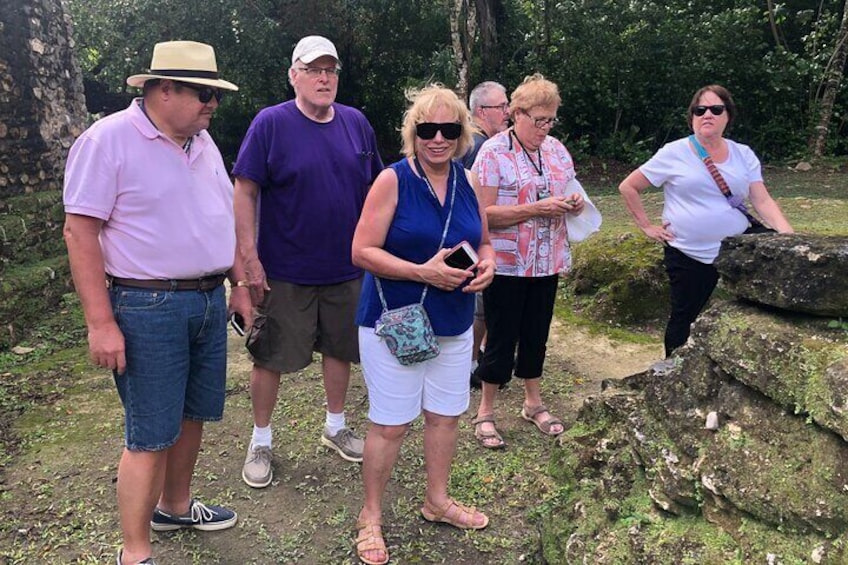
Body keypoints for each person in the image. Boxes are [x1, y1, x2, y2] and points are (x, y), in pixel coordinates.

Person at [62, 41, 247, 565]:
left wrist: (242, 286)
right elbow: (80, 233)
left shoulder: (202, 141)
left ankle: (176, 506)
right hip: (147, 305)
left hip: (208, 298)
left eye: (215, 94)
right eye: (204, 93)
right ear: (163, 90)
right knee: (149, 432)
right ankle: (135, 552)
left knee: (193, 416)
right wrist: (100, 323)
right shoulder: (107, 141)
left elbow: (220, 216)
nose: (213, 104)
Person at [351, 85, 496, 565]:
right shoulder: (392, 180)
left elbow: (485, 240)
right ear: (412, 133)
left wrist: (489, 263)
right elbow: (361, 251)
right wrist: (422, 271)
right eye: (426, 129)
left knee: (445, 416)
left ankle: (437, 501)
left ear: (462, 135)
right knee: (391, 424)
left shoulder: (469, 181)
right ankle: (370, 515)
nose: (437, 138)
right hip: (395, 321)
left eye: (448, 130)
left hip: (453, 321)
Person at [233, 35, 383, 488]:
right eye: (314, 70)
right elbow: (245, 190)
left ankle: (335, 427)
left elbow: (379, 189)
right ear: (293, 75)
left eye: (331, 70)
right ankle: (261, 440)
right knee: (270, 356)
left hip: (346, 267)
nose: (324, 78)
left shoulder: (356, 123)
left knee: (340, 349)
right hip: (285, 270)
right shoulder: (270, 124)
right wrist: (249, 260)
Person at [619, 84, 793, 358]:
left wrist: (788, 236)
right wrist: (646, 226)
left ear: (728, 116)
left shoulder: (743, 154)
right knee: (683, 317)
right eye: (700, 110)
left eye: (716, 109)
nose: (707, 114)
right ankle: (673, 375)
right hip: (689, 252)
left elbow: (761, 200)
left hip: (734, 248)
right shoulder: (673, 152)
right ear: (692, 117)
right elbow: (629, 186)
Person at [471, 74, 594, 449]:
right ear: (516, 115)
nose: (546, 128)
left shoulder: (557, 150)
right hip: (508, 264)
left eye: (551, 119)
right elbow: (483, 214)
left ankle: (533, 402)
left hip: (547, 261)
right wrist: (535, 209)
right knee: (501, 336)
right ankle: (485, 411)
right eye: (539, 120)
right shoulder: (492, 153)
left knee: (536, 335)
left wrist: (572, 203)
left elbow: (571, 191)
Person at [462, 81, 510, 389]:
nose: (508, 112)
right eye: (502, 107)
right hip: (476, 239)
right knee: (480, 306)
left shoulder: (474, 142)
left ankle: (476, 357)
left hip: (477, 237)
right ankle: (472, 364)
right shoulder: (479, 147)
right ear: (482, 111)